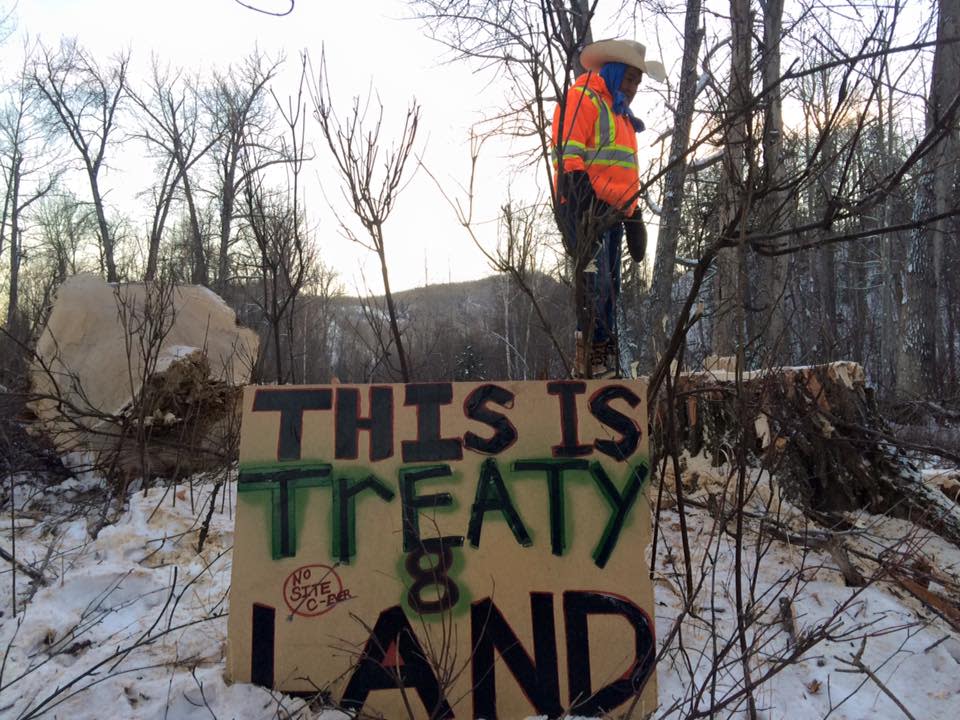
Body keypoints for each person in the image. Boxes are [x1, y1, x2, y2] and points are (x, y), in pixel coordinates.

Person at [552, 38, 665, 378]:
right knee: (595, 286)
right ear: (613, 71)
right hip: (583, 211)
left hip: (613, 215)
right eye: (628, 78)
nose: (632, 88)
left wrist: (634, 216)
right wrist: (586, 207)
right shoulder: (582, 98)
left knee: (611, 291)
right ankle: (589, 361)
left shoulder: (623, 118)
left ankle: (603, 360)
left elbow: (625, 175)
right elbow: (568, 158)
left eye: (637, 82)